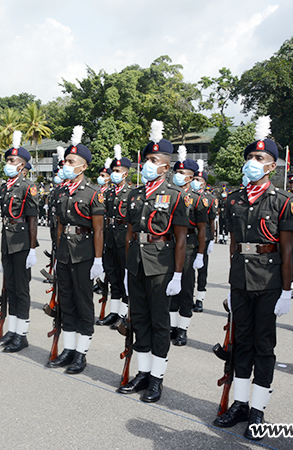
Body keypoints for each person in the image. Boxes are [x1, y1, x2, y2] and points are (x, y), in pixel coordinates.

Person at [213, 116, 293, 441]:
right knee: (241, 343)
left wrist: (287, 290)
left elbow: (288, 251)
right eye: (250, 157)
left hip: (270, 281)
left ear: (272, 166)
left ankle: (258, 410)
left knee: (264, 347)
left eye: (259, 158)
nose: (252, 162)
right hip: (241, 281)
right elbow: (234, 246)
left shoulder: (283, 202)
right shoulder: (234, 200)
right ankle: (240, 403)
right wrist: (234, 283)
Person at [117, 119, 187, 402]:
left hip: (161, 263)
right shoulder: (134, 195)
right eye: (146, 159)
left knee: (159, 322)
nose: (148, 164)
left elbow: (181, 239)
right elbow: (130, 233)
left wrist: (179, 274)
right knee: (140, 319)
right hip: (136, 261)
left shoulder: (175, 196)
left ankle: (157, 378)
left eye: (154, 160)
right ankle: (143, 372)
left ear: (166, 166)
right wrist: (126, 267)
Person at [46, 125, 104, 374]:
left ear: (84, 166)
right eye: (65, 161)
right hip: (65, 252)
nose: (66, 164)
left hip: (84, 254)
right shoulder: (61, 193)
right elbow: (59, 227)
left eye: (71, 161)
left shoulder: (93, 194)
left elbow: (99, 230)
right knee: (66, 301)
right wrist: (57, 255)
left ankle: (81, 353)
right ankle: (68, 350)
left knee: (83, 303)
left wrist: (98, 260)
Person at [0, 130, 39, 353]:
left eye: (12, 161)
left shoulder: (28, 187)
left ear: (22, 165)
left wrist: (32, 248)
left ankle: (22, 334)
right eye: (7, 160)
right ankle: (12, 330)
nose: (7, 163)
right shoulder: (5, 186)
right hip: (7, 242)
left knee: (21, 289)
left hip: (21, 242)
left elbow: (33, 219)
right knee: (9, 287)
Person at [168, 147, 207, 347]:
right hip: (169, 244)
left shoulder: (198, 199)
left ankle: (183, 328)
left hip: (189, 246)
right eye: (178, 172)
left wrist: (201, 253)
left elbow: (202, 230)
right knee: (170, 288)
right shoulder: (167, 195)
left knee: (185, 288)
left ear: (192, 178)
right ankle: (172, 326)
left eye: (184, 174)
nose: (179, 176)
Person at [97, 145, 131, 327]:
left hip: (123, 238)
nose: (114, 174)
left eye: (118, 171)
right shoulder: (108, 193)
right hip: (109, 237)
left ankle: (123, 314)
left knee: (124, 275)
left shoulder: (131, 193)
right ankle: (114, 311)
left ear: (125, 174)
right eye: (113, 171)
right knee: (112, 275)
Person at [192, 161, 216, 313]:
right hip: (189, 236)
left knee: (202, 269)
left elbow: (212, 220)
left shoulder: (210, 198)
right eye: (194, 179)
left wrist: (212, 238)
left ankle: (199, 298)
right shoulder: (188, 196)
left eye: (198, 180)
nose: (195, 182)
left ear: (205, 183)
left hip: (204, 237)